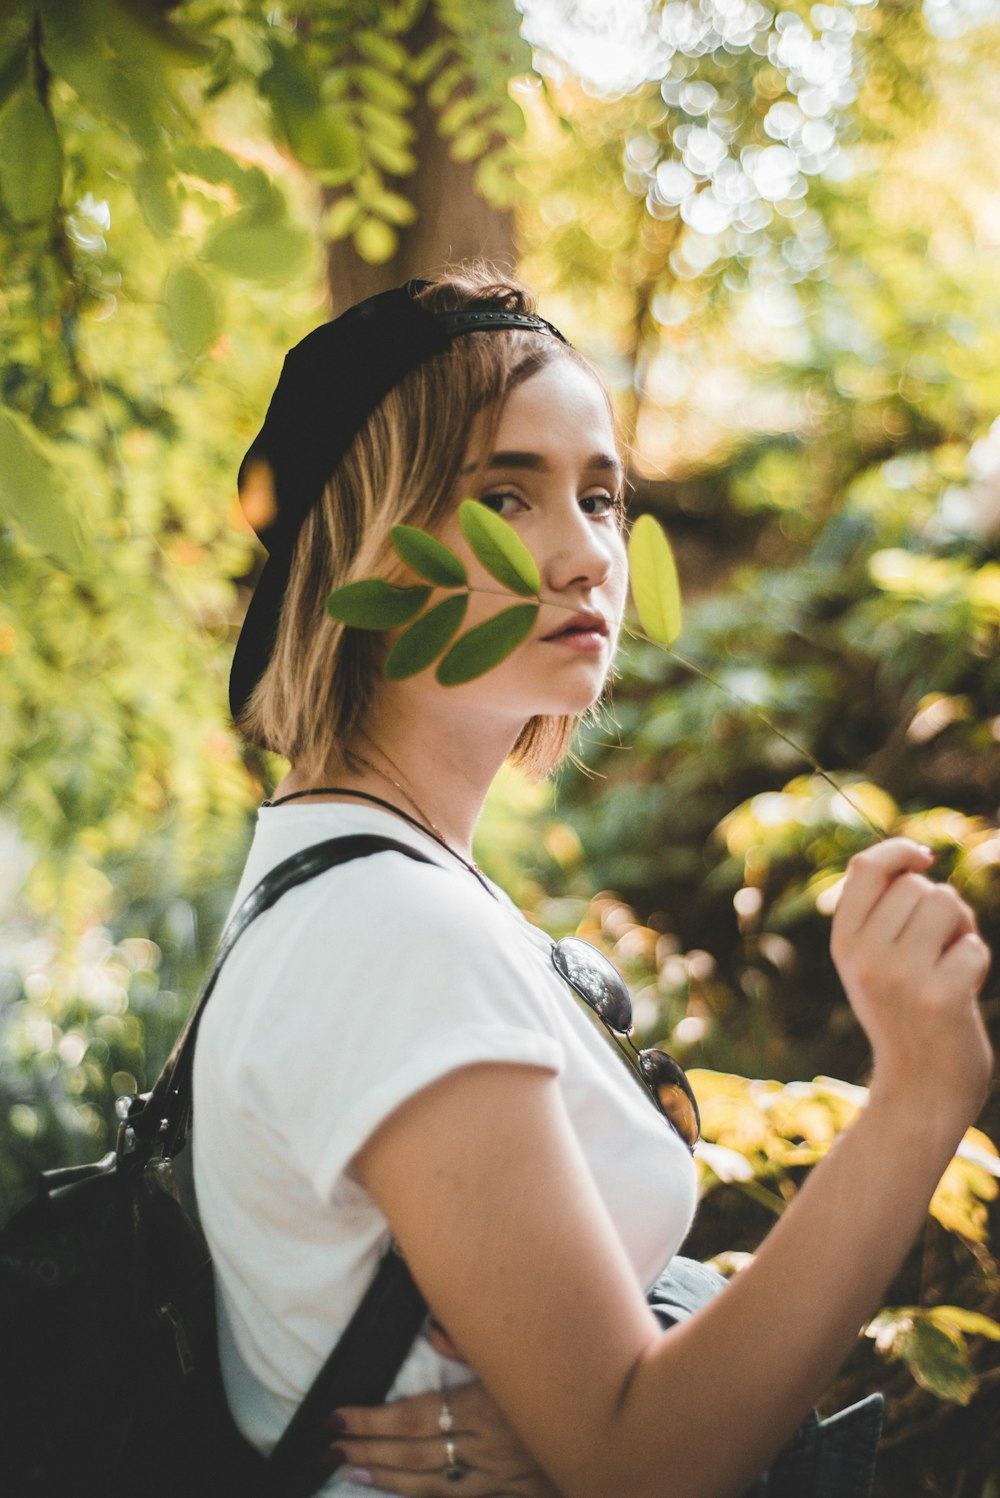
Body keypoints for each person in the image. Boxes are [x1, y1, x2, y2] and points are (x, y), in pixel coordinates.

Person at [193, 266, 993, 1498]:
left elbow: (596, 1425)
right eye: (507, 494)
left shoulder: (369, 877)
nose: (584, 555)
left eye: (604, 496)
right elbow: (647, 1463)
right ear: (374, 544)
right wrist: (920, 1099)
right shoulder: (390, 928)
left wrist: (563, 1425)